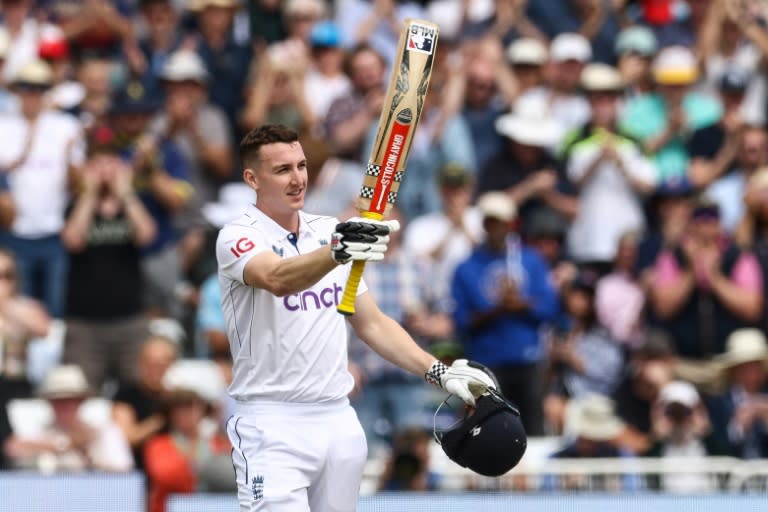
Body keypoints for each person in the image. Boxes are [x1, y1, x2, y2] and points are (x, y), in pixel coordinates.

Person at [215, 124, 495, 511]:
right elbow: (277, 278)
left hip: (337, 418)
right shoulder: (237, 235)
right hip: (271, 423)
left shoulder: (328, 230)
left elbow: (372, 323)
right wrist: (338, 250)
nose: (297, 179)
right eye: (282, 170)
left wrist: (440, 372)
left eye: (301, 166)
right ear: (252, 178)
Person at [450, 191, 559, 436]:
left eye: (503, 222)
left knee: (532, 428)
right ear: (485, 224)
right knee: (490, 430)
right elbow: (461, 321)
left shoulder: (531, 261)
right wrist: (498, 309)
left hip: (527, 359)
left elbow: (550, 309)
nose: (498, 228)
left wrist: (519, 304)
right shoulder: (467, 267)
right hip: (487, 363)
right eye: (492, 221)